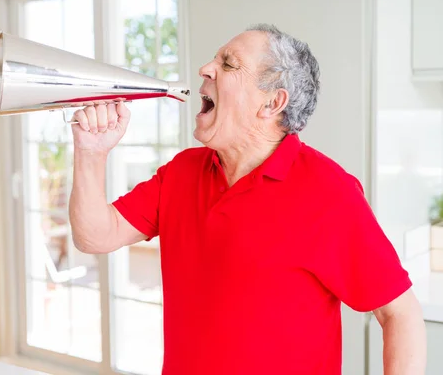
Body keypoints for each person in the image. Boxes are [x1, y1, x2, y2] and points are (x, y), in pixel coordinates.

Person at [68, 23, 426, 374]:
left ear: (272, 102)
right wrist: (91, 153)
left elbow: (400, 313)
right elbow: (96, 235)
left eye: (228, 64)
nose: (205, 69)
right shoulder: (182, 172)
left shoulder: (328, 191)